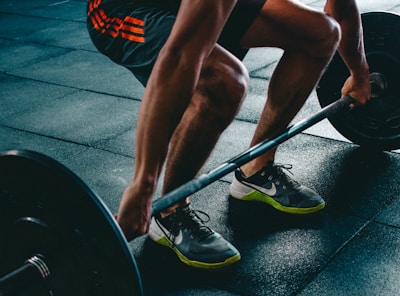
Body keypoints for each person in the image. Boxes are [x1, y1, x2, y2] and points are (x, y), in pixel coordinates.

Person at [87, 0, 371, 269]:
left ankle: (255, 169)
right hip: (124, 9)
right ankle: (170, 212)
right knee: (226, 81)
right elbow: (182, 56)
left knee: (321, 34)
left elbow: (342, 9)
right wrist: (142, 185)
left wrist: (359, 74)